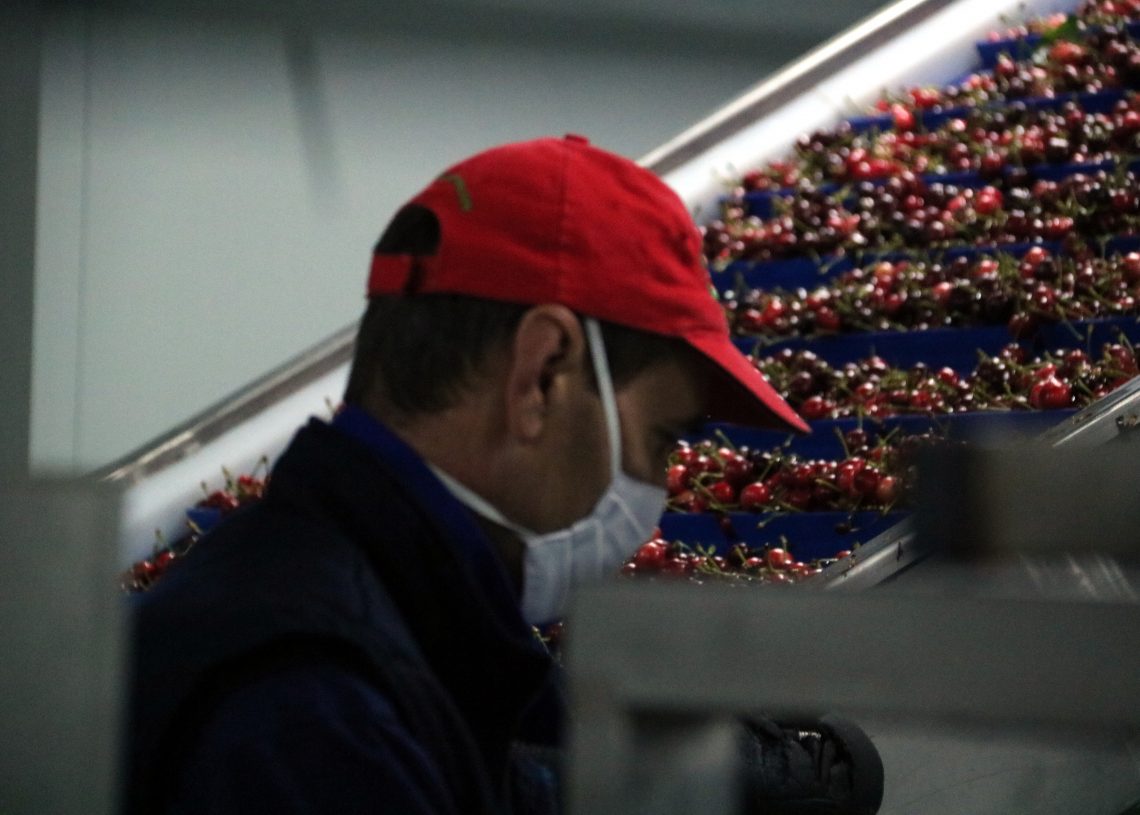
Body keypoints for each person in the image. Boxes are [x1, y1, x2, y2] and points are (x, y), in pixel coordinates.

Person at [125, 134, 879, 814]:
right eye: (658, 438)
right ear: (541, 374)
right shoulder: (311, 713)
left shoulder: (380, 621)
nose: (654, 489)